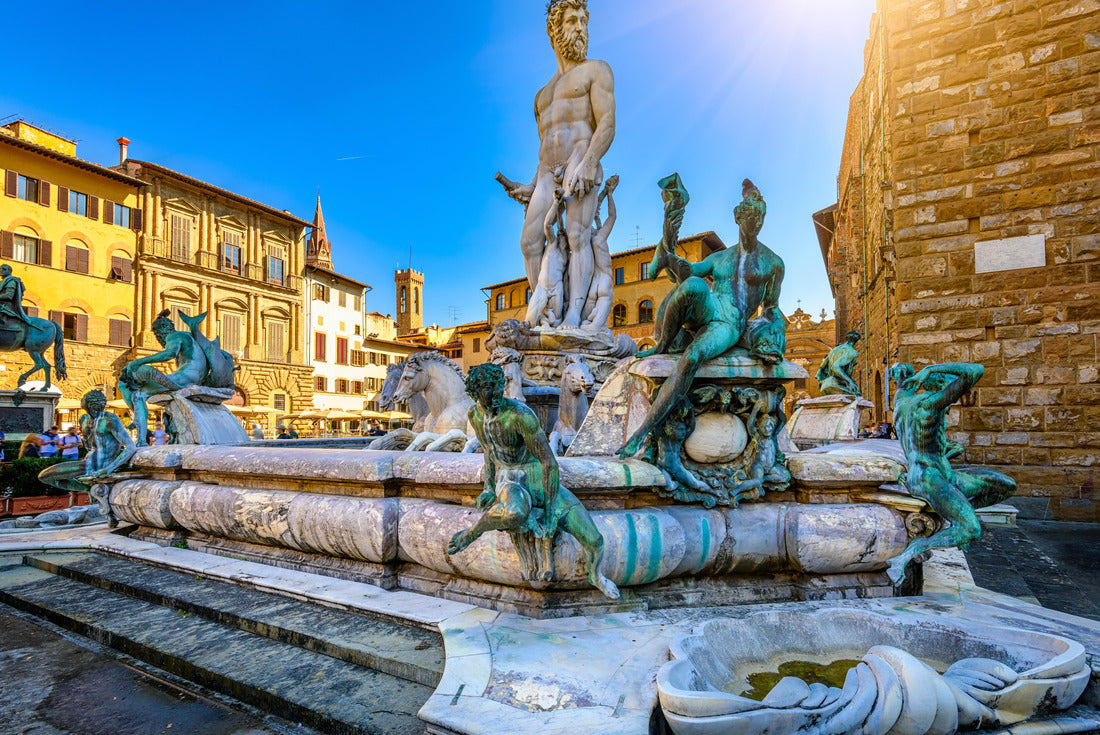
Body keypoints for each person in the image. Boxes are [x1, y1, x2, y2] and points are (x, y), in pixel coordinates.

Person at [618, 179, 785, 460]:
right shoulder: (721, 258)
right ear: (738, 218)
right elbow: (688, 273)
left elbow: (772, 308)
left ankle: (642, 432)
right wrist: (672, 254)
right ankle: (663, 344)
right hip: (711, 308)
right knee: (694, 285)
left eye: (760, 220)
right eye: (750, 219)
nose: (755, 225)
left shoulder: (772, 263)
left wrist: (772, 332)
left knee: (693, 355)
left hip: (728, 324)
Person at [447, 364, 619, 599]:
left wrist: (549, 512)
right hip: (511, 478)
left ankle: (595, 575)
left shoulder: (520, 415)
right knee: (514, 514)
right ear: (475, 391)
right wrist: (488, 487)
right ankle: (471, 533)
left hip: (539, 478)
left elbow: (549, 463)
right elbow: (488, 450)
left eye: (499, 386)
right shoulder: (474, 415)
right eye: (488, 388)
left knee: (595, 539)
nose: (496, 392)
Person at [496, 0, 616, 329]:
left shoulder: (597, 70)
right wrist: (532, 186)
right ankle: (546, 312)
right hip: (548, 172)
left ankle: (575, 316)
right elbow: (544, 148)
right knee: (530, 242)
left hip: (581, 158)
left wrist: (591, 160)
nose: (580, 27)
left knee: (577, 237)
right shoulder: (541, 96)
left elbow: (607, 122)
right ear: (554, 30)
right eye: (572, 21)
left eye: (583, 21)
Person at [884, 363, 1017, 584]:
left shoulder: (901, 401)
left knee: (1006, 485)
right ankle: (914, 549)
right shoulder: (930, 405)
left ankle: (960, 516)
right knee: (971, 529)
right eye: (950, 389)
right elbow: (975, 371)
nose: (952, 400)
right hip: (927, 478)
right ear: (941, 388)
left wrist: (901, 374)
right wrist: (930, 368)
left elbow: (901, 381)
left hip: (941, 475)